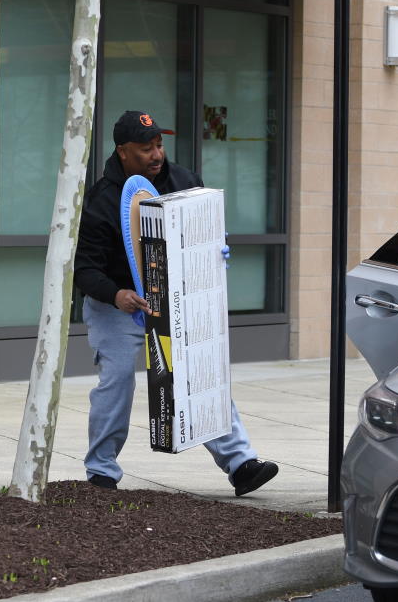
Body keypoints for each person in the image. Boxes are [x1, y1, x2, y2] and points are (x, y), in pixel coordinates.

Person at [73, 110, 278, 495]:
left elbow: (204, 227)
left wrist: (216, 248)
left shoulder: (184, 182)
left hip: (178, 298)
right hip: (118, 306)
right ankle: (101, 472)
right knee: (116, 382)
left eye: (159, 145)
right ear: (122, 151)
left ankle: (241, 464)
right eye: (145, 148)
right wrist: (117, 295)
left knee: (201, 372)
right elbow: (83, 269)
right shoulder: (102, 201)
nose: (156, 154)